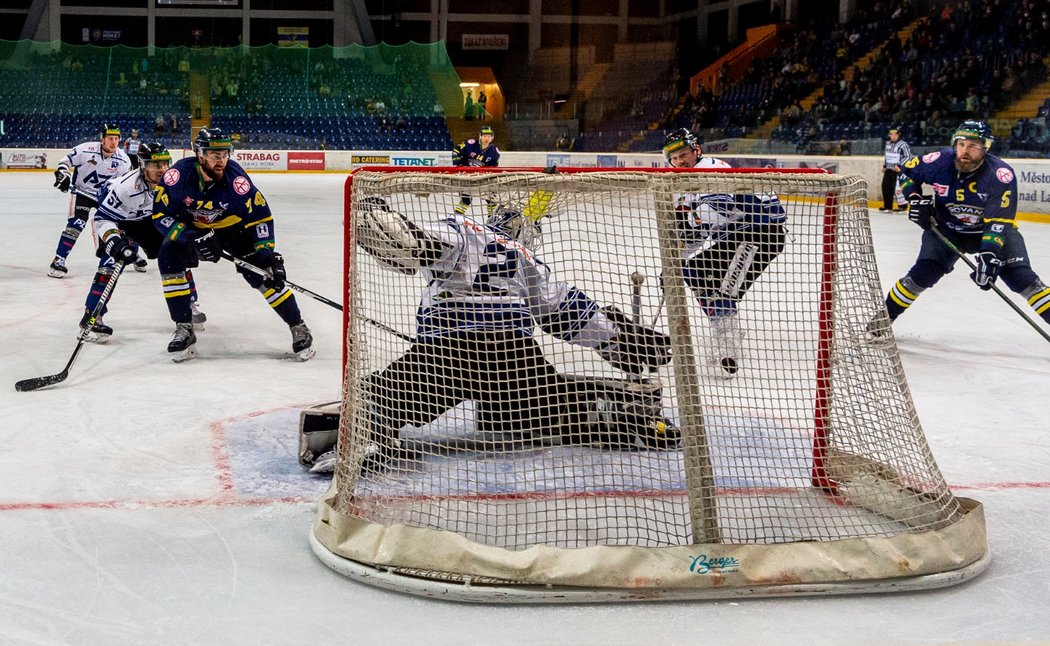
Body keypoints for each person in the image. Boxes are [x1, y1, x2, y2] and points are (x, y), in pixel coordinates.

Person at [310, 199, 675, 472]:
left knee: (382, 398)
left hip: (449, 351)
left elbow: (416, 241)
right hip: (513, 355)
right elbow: (563, 312)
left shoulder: (463, 228)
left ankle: (357, 432)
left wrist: (387, 219)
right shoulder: (529, 259)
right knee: (542, 408)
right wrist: (617, 337)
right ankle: (620, 412)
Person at [152, 127, 314, 362]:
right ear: (200, 154)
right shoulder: (177, 177)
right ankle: (184, 327)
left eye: (225, 154)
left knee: (261, 274)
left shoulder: (238, 182)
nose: (222, 161)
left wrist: (266, 254)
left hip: (232, 229)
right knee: (168, 255)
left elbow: (261, 217)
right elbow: (160, 215)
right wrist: (188, 237)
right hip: (192, 228)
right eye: (215, 155)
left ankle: (297, 325)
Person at [877, 119, 1050, 329]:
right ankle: (881, 322)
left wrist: (989, 254)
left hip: (987, 231)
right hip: (947, 230)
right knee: (921, 275)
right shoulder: (939, 161)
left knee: (1023, 279)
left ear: (985, 148)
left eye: (973, 146)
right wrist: (914, 198)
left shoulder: (1000, 175)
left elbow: (998, 222)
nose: (965, 151)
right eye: (961, 144)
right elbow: (905, 172)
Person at [662, 128, 787, 376]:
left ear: (696, 151)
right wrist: (673, 264)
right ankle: (724, 333)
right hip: (733, 239)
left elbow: (715, 211)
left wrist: (687, 220)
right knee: (691, 271)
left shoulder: (710, 169)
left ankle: (727, 347)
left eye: (684, 154)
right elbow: (698, 235)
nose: (679, 161)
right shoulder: (685, 183)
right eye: (674, 157)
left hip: (761, 235)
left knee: (725, 291)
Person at [77, 143, 206, 342]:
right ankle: (92, 316)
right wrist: (115, 242)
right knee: (109, 266)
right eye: (155, 165)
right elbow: (102, 219)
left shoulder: (172, 182)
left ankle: (189, 303)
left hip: (150, 220)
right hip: (120, 220)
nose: (162, 169)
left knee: (177, 253)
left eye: (164, 164)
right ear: (143, 165)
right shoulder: (125, 188)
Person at [48, 123, 133, 278]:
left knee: (115, 227)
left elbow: (125, 184)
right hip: (83, 193)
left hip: (105, 197)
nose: (113, 142)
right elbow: (65, 161)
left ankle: (121, 255)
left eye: (116, 138)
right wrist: (64, 174)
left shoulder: (124, 160)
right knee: (76, 225)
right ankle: (59, 260)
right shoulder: (86, 149)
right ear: (102, 139)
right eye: (110, 138)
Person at [451, 125, 500, 215]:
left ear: (492, 138)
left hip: (483, 178)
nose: (486, 138)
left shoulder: (494, 152)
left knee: (491, 199)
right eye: (484, 136)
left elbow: (493, 169)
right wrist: (458, 166)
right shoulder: (470, 144)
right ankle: (457, 217)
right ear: (480, 136)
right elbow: (456, 151)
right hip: (466, 176)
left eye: (489, 136)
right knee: (466, 199)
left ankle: (492, 219)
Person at [880, 126, 911, 212]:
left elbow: (908, 157)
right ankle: (888, 206)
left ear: (899, 135)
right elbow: (887, 156)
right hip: (889, 169)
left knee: (898, 188)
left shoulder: (903, 145)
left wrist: (900, 165)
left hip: (898, 170)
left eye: (895, 134)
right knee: (885, 187)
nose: (893, 136)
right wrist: (885, 165)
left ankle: (903, 206)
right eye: (891, 134)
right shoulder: (888, 144)